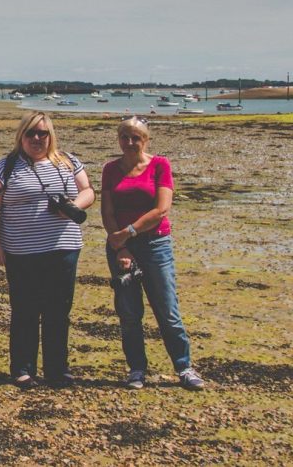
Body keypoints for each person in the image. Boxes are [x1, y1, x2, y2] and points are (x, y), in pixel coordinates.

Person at [0, 111, 93, 389]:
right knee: (25, 310)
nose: (36, 138)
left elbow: (88, 191)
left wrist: (73, 206)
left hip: (64, 248)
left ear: (50, 135)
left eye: (42, 133)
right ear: (21, 136)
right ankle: (23, 369)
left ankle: (57, 370)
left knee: (59, 310)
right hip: (22, 251)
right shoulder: (7, 166)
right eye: (30, 133)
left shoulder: (67, 161)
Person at [101, 116, 205, 390]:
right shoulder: (110, 169)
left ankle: (184, 367)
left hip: (155, 245)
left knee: (167, 310)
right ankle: (137, 369)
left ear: (146, 140)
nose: (130, 142)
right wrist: (121, 246)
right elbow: (107, 212)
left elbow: (161, 209)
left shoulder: (160, 165)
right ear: (118, 139)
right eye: (124, 137)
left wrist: (129, 232)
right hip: (121, 249)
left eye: (136, 137)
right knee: (129, 312)